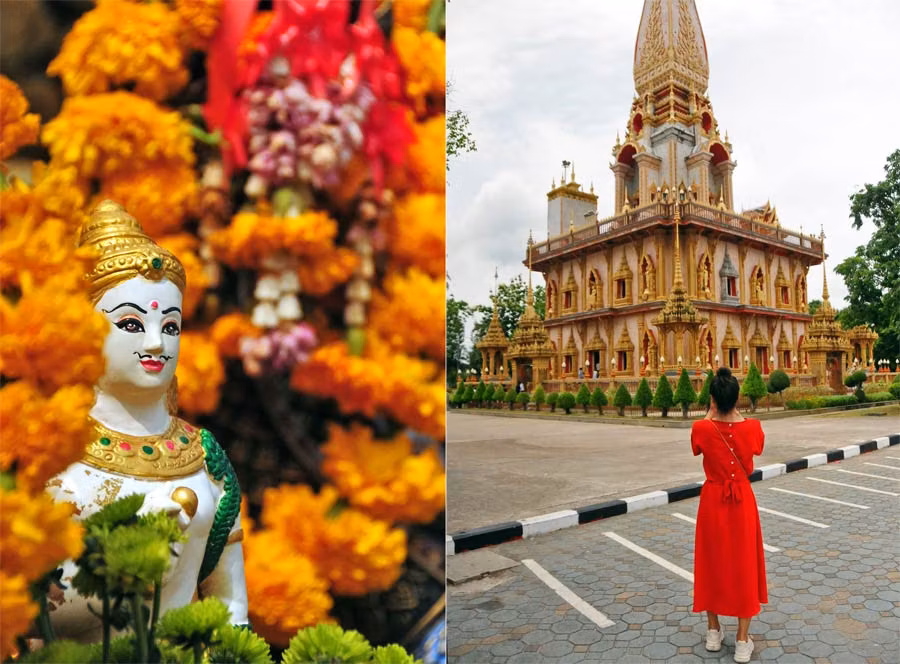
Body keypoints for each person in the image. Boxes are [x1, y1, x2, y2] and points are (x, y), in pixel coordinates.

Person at [46, 201, 247, 641]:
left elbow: (229, 603)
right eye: (133, 325)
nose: (157, 343)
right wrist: (131, 568)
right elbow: (37, 614)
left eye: (170, 326)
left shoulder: (204, 456)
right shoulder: (52, 456)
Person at [690, 367, 767, 663]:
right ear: (738, 398)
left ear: (712, 399)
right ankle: (742, 639)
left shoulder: (701, 428)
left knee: (711, 562)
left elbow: (698, 448)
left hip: (713, 501)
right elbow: (756, 446)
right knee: (744, 564)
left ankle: (713, 631)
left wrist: (712, 413)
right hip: (742, 502)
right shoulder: (754, 427)